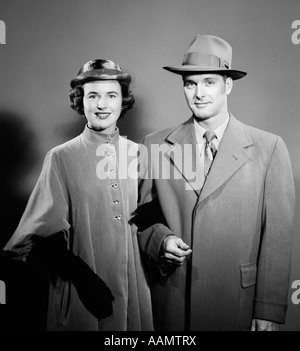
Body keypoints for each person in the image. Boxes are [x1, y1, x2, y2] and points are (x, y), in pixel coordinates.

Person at [134, 35, 295, 331]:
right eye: (190, 83)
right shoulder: (155, 144)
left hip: (237, 302)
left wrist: (269, 309)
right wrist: (161, 241)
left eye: (209, 82)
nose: (198, 93)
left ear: (228, 85)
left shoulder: (268, 147)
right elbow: (141, 216)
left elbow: (278, 236)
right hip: (172, 300)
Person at [3, 59, 153, 331]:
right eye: (92, 95)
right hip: (81, 288)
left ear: (123, 102)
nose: (101, 105)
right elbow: (45, 233)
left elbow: (150, 221)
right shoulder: (61, 157)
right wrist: (83, 278)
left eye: (111, 96)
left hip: (136, 287)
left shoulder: (140, 154)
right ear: (80, 101)